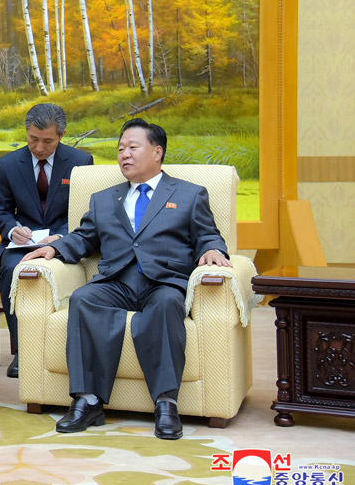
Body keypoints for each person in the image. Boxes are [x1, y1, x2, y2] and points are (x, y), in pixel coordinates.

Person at [20, 118, 232, 440]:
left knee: (166, 304)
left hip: (163, 282)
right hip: (117, 281)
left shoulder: (189, 194)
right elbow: (85, 238)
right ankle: (88, 401)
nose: (124, 155)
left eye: (133, 147)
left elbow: (207, 234)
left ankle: (166, 403)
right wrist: (56, 249)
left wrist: (213, 250)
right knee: (84, 298)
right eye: (120, 149)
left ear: (157, 152)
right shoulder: (104, 199)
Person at [0, 103, 93, 378]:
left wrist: (61, 236)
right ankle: (23, 351)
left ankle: (58, 347)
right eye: (33, 139)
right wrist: (12, 230)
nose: (39, 147)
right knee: (12, 270)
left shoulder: (81, 162)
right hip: (23, 241)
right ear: (26, 132)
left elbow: (85, 211)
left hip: (64, 240)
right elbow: (1, 211)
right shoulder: (9, 164)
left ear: (61, 135)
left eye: (47, 141)